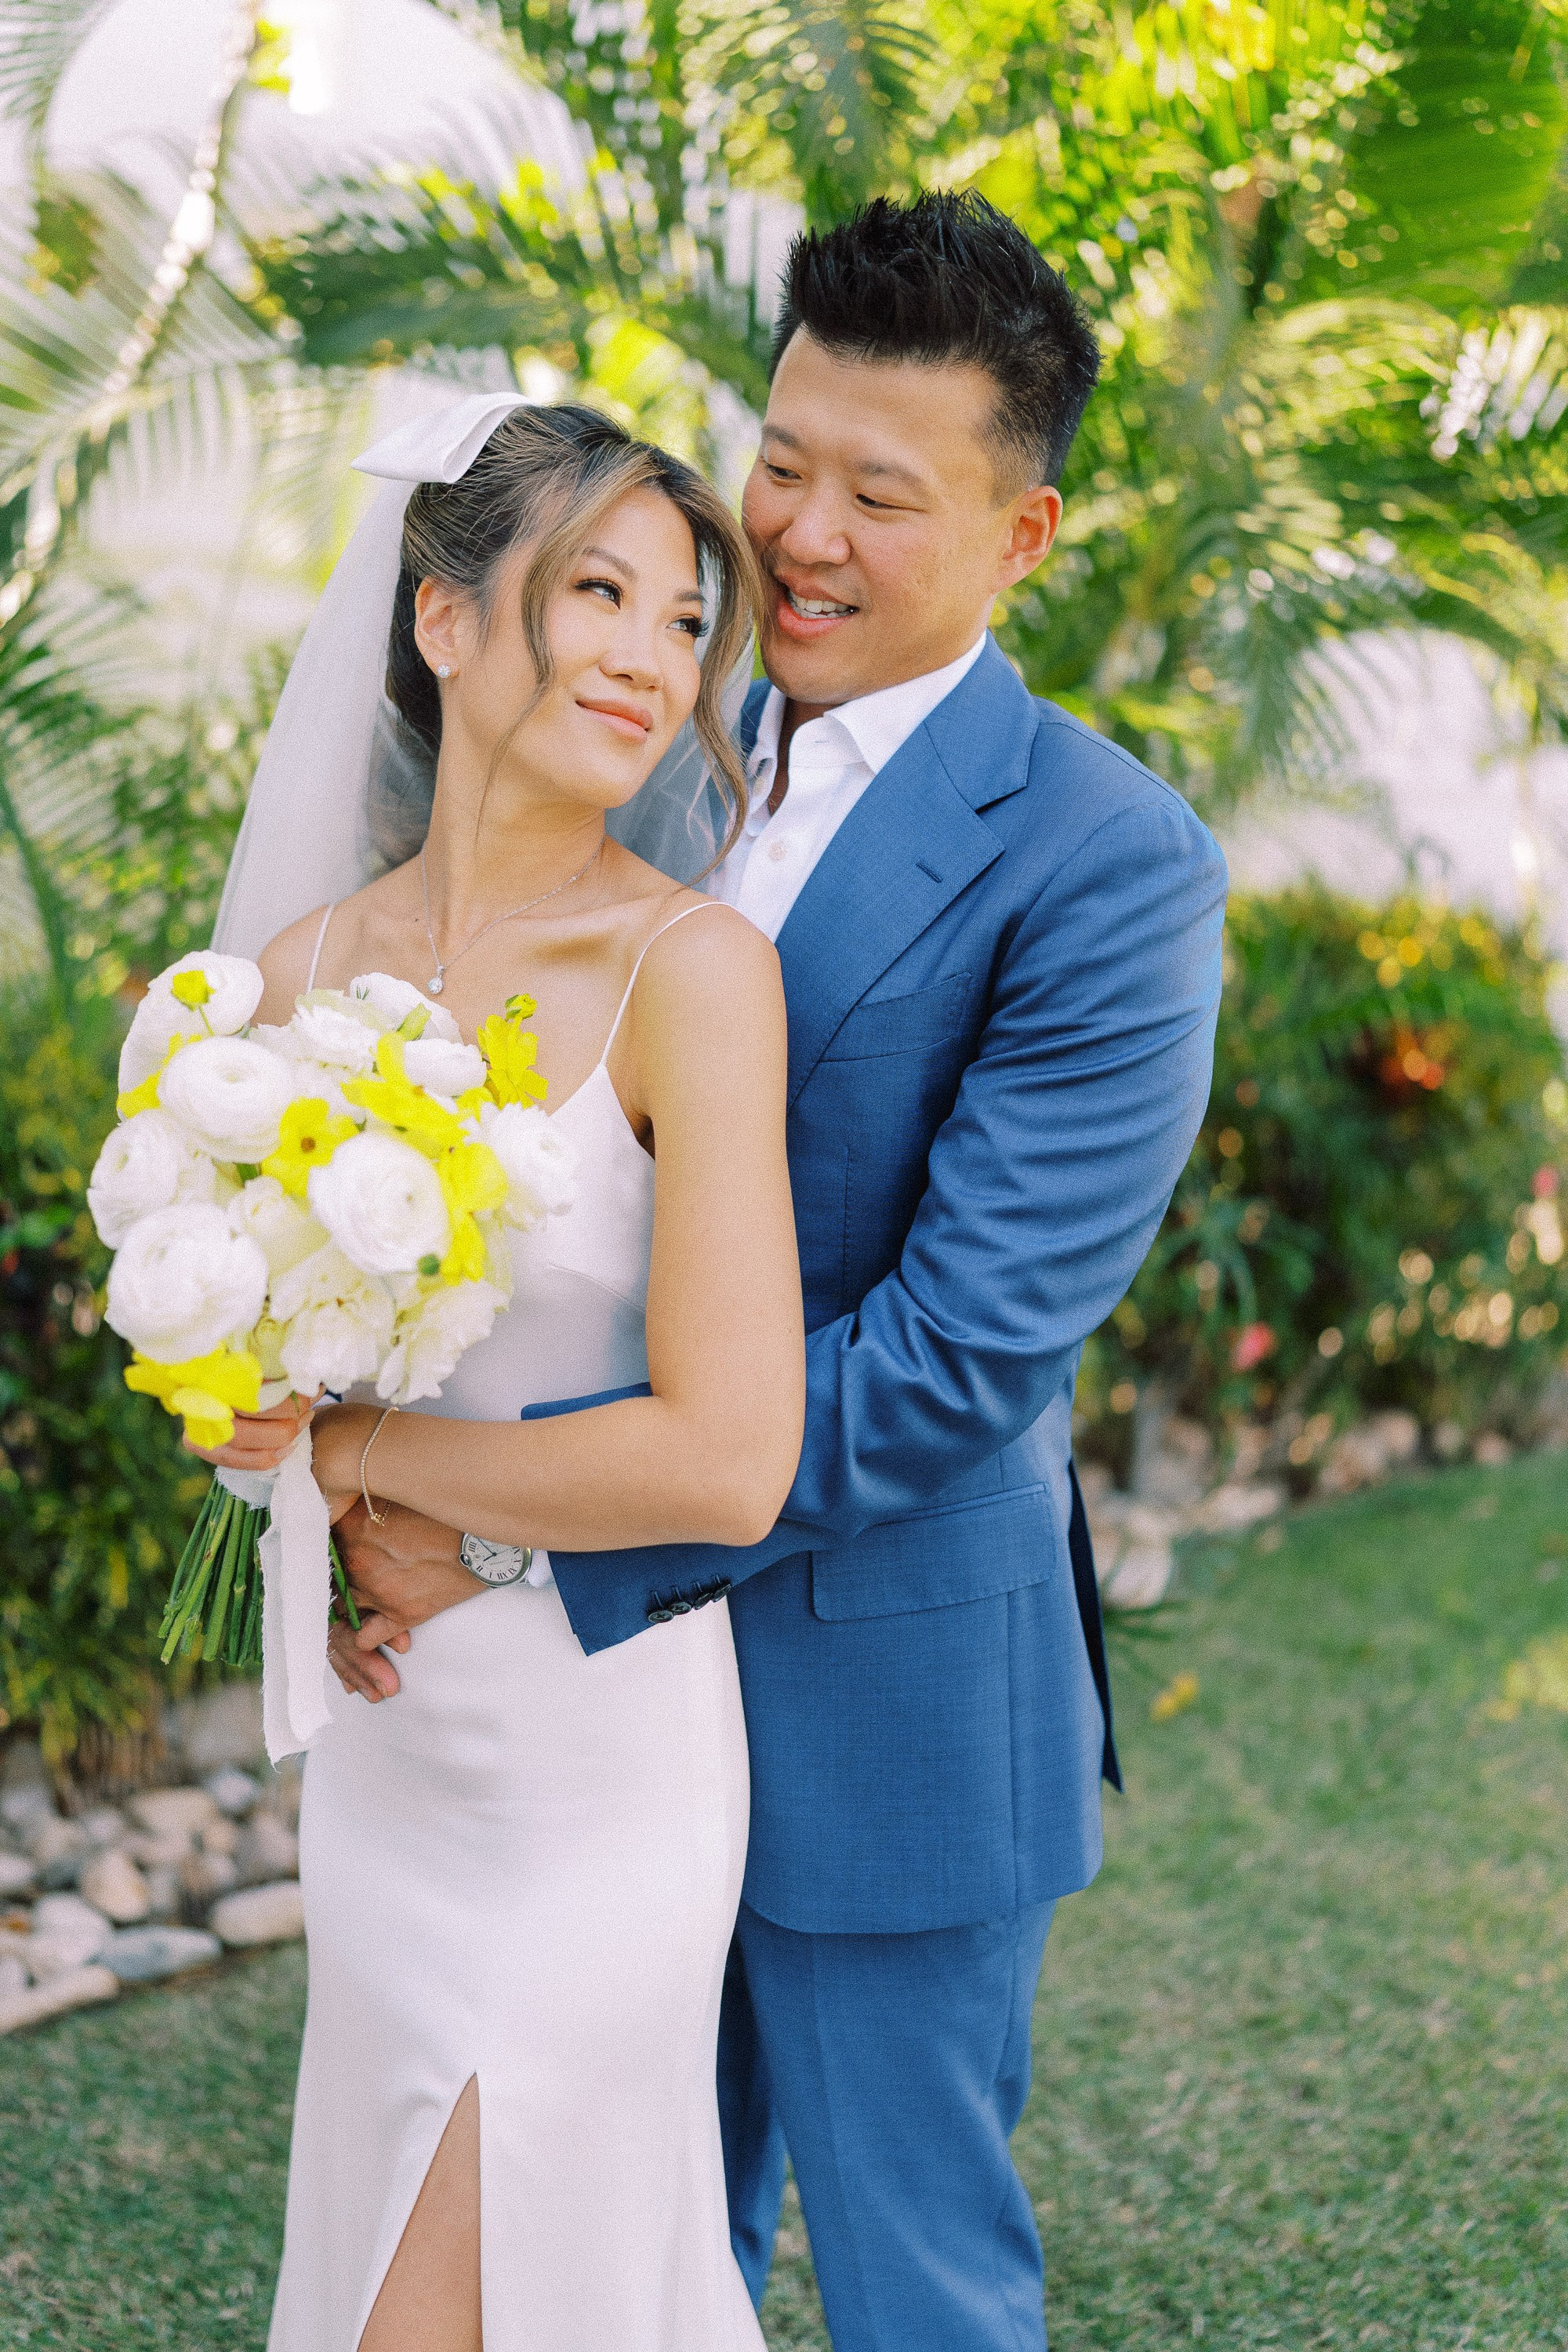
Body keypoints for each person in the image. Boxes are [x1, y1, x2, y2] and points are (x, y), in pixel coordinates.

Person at [334, 193, 1229, 2350]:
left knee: (917, 2284)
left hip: (874, 1683)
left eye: (882, 496)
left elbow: (952, 1357)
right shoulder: (634, 730)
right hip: (579, 1735)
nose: (801, 533)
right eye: (788, 459)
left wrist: (509, 1525)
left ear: (1023, 539)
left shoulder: (1114, 864)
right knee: (630, 2259)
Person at [194, 401, 804, 2352]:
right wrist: (286, 1476)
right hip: (394, 1756)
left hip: (599, 1756)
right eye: (597, 593)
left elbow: (727, 1457)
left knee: (483, 2281)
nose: (651, 652)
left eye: (682, 614)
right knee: (390, 2246)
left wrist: (378, 1454)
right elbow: (251, 1417)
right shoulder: (284, 989)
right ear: (445, 620)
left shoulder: (689, 975)